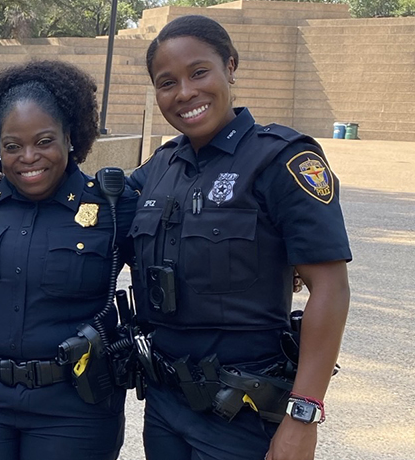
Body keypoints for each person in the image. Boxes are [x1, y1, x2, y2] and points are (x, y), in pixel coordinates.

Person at [128, 15, 351, 460]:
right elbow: (86, 205)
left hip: (243, 412)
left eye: (198, 72)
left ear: (230, 66)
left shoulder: (282, 160)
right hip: (166, 406)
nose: (185, 93)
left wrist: (302, 416)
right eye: (166, 82)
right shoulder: (160, 167)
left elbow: (330, 288)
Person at [0, 60, 139, 460]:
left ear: (70, 137)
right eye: (12, 146)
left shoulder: (113, 205)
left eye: (44, 141)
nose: (28, 157)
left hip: (76, 407)